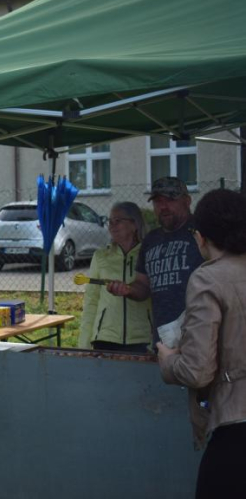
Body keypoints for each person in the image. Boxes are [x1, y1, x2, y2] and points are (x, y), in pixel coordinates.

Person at [156, 188, 246, 499]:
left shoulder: (207, 279)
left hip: (235, 428)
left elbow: (197, 371)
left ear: (201, 237)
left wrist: (167, 359)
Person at [107, 176, 205, 343]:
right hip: (165, 338)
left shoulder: (203, 231)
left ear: (187, 201)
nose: (163, 207)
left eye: (170, 200)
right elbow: (143, 285)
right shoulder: (151, 240)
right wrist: (128, 290)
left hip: (201, 333)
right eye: (158, 201)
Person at [77, 202, 152, 352]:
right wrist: (84, 344)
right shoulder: (100, 257)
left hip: (143, 339)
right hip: (105, 339)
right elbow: (91, 302)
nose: (112, 226)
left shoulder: (149, 254)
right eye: (110, 221)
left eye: (118, 221)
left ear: (134, 224)